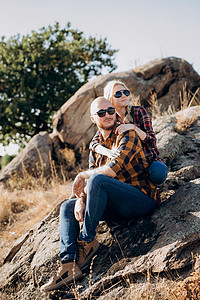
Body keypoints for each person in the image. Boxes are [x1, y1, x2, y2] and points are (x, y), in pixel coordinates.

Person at [40, 97, 157, 292]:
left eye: (111, 110)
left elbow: (109, 171)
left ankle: (87, 241)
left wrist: (81, 175)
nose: (108, 115)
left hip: (140, 200)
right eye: (102, 113)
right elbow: (93, 177)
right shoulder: (95, 146)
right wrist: (80, 199)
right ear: (94, 119)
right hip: (116, 207)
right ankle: (68, 264)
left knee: (97, 180)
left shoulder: (127, 134)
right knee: (67, 206)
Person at [90, 80, 168, 186]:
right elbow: (94, 143)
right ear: (110, 99)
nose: (123, 96)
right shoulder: (109, 118)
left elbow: (152, 142)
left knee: (158, 173)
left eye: (125, 92)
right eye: (118, 94)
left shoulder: (138, 111)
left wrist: (133, 127)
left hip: (149, 160)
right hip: (127, 164)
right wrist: (107, 152)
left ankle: (154, 189)